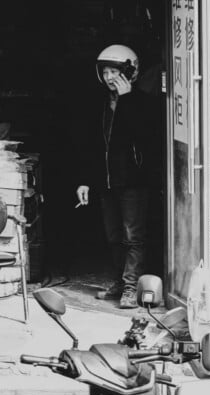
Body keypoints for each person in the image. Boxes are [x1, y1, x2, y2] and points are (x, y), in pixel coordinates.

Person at [75, 44, 152, 309]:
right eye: (105, 72)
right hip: (106, 181)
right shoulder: (99, 103)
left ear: (130, 71)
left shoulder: (142, 100)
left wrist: (128, 99)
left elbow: (142, 136)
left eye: (114, 71)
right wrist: (85, 179)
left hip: (132, 181)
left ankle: (131, 286)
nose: (109, 77)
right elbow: (91, 144)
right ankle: (121, 281)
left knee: (133, 236)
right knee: (113, 235)